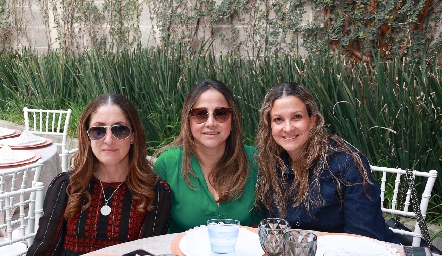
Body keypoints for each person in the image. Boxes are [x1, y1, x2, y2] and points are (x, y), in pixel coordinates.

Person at [27, 93, 172, 255]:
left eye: (120, 129)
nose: (109, 140)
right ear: (87, 136)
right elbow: (42, 250)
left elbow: (148, 253)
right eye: (98, 131)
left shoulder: (156, 194)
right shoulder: (66, 187)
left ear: (133, 135)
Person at [254, 82, 398, 243]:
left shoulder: (347, 163)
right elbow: (273, 230)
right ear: (269, 125)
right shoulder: (271, 164)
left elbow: (363, 239)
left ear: (313, 120)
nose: (288, 128)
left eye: (297, 117)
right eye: (278, 119)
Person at [153, 79, 258, 233]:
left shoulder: (255, 160)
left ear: (233, 119)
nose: (211, 123)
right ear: (188, 120)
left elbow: (263, 224)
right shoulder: (168, 164)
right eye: (200, 114)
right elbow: (154, 227)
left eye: (221, 114)